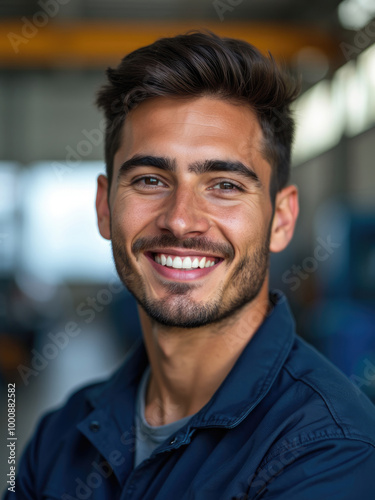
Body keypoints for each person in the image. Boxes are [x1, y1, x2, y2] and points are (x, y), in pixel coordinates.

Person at [5, 31, 375, 500]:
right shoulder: (64, 434)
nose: (180, 219)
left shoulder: (329, 451)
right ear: (104, 207)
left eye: (224, 185)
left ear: (281, 220)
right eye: (150, 179)